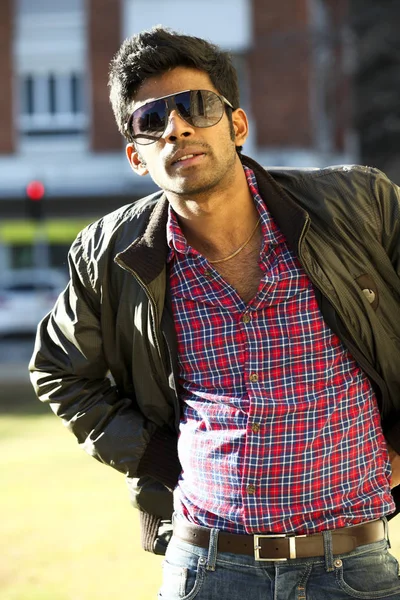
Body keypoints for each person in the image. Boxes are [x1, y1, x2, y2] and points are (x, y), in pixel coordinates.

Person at [29, 25, 400, 599]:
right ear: (136, 155)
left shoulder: (358, 206)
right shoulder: (110, 255)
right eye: (152, 121)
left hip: (356, 566)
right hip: (209, 569)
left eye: (196, 106)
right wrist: (156, 456)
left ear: (237, 124)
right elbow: (59, 371)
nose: (177, 127)